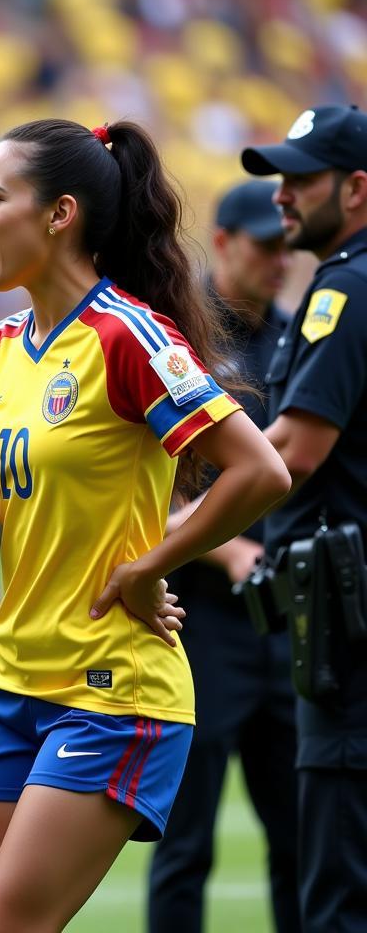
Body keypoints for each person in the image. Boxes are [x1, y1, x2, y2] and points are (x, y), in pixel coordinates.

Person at [0, 118, 292, 933]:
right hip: (18, 686)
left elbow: (261, 471)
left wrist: (149, 566)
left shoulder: (128, 334)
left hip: (113, 693)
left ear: (60, 214)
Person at [147, 179, 300, 933]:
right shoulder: (178, 333)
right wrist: (229, 547)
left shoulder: (300, 333)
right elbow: (142, 484)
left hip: (286, 623)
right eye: (267, 247)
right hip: (199, 624)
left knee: (300, 836)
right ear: (229, 240)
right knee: (185, 841)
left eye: (287, 246)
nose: (281, 261)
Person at [240, 104, 367, 932]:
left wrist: (160, 535)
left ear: (356, 189)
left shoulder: (346, 285)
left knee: (338, 898)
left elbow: (296, 448)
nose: (283, 197)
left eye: (302, 180)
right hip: (338, 612)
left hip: (348, 631)